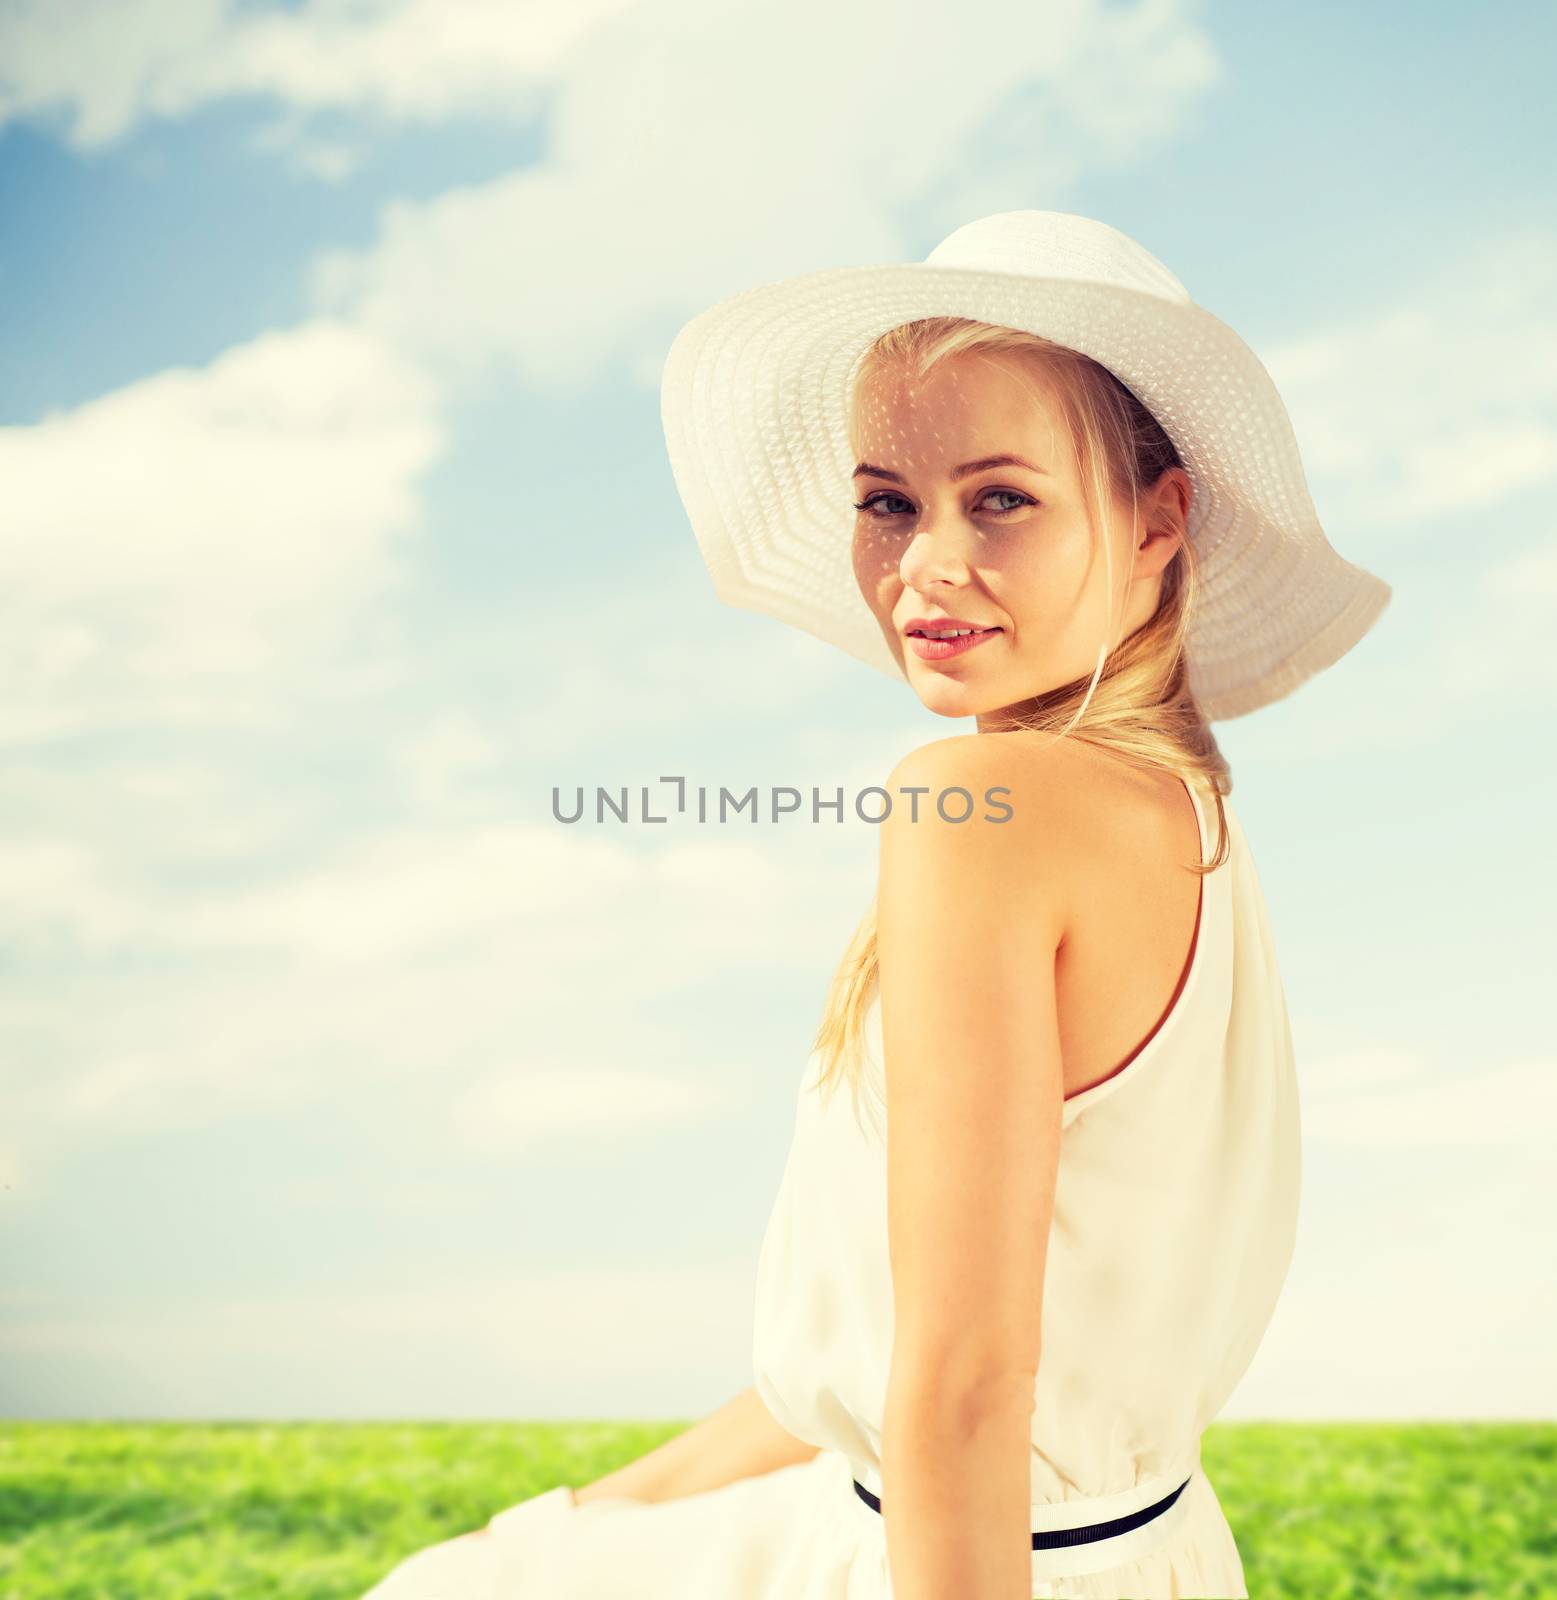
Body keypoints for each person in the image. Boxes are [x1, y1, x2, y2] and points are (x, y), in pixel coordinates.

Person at [361, 210, 1391, 1599]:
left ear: (1159, 515)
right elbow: (861, 1375)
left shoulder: (984, 817)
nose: (924, 567)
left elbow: (965, 1389)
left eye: (1000, 498)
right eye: (887, 501)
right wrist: (546, 1535)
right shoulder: (1188, 819)